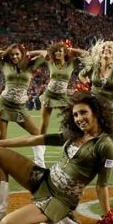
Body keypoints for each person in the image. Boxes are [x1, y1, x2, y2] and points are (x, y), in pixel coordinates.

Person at [0, 92, 113, 224]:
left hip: (60, 199)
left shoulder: (105, 145)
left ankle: (60, 222)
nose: (79, 118)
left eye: (83, 112)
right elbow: (33, 139)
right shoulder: (75, 133)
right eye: (75, 114)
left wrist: (108, 218)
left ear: (96, 112)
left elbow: (101, 185)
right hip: (44, 179)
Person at [33, 40, 88, 168]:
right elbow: (42, 54)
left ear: (65, 52)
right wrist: (47, 52)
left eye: (60, 51)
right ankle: (40, 157)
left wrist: (71, 49)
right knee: (44, 125)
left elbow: (86, 54)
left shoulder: (71, 63)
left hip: (63, 96)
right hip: (49, 95)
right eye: (56, 51)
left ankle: (73, 148)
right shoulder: (50, 62)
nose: (58, 53)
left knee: (71, 121)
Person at [0, 43, 44, 142]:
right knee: (2, 137)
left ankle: (39, 158)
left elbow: (45, 53)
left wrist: (29, 53)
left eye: (17, 54)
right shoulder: (5, 64)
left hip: (19, 107)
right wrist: (7, 52)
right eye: (12, 54)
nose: (14, 56)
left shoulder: (30, 65)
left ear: (22, 54)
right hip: (4, 104)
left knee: (37, 134)